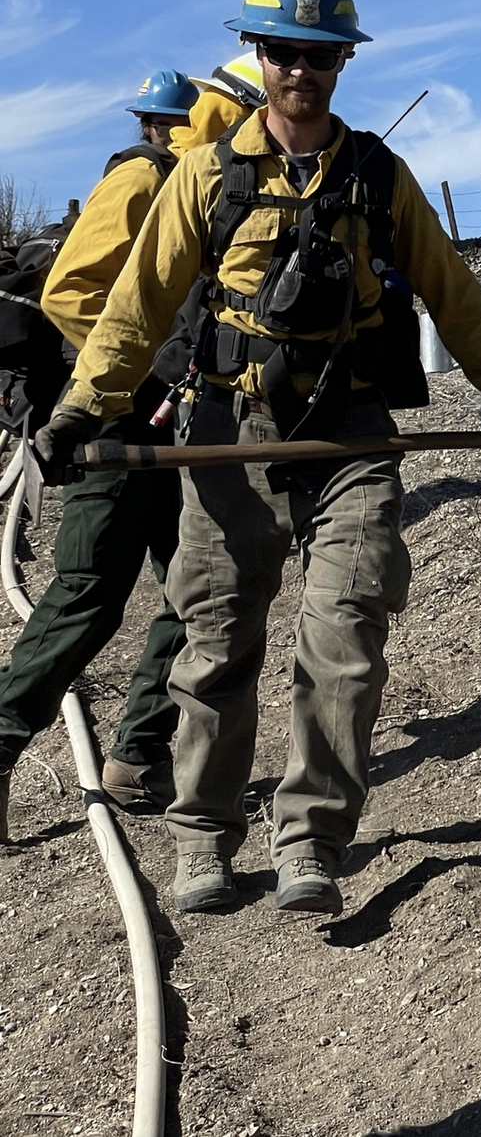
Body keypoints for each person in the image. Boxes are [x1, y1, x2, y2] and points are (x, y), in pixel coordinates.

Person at [34, 0, 481, 916]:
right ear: (259, 55)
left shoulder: (379, 175)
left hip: (350, 436)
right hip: (225, 436)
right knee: (216, 642)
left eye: (320, 54)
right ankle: (203, 839)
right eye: (285, 51)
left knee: (347, 636)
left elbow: (456, 297)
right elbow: (137, 305)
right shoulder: (205, 176)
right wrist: (83, 406)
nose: (301, 70)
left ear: (341, 63)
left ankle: (312, 840)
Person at [0, 70, 199, 842]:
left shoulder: (188, 185)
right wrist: (145, 369)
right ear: (166, 127)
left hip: (170, 427)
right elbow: (70, 296)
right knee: (87, 595)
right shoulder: (142, 180)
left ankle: (138, 754)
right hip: (119, 422)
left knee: (199, 591)